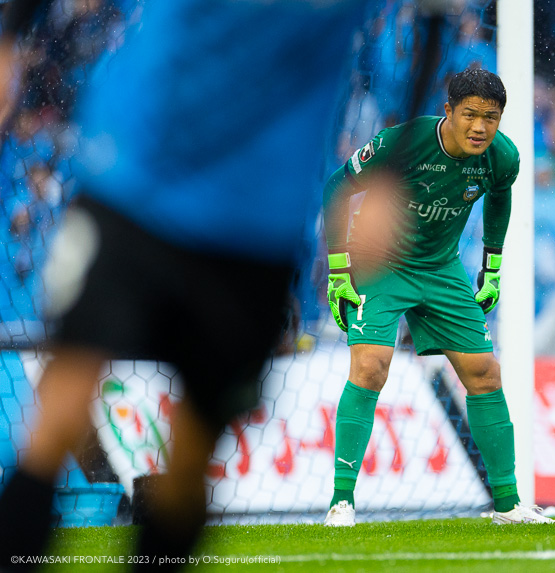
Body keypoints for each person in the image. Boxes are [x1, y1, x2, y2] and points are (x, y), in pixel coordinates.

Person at [0, 0, 368, 569]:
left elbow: (433, 19)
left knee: (188, 466)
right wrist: (10, 36)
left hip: (256, 226)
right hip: (130, 180)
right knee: (58, 412)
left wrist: (391, 173)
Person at [322, 68, 555, 527]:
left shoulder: (502, 157)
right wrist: (338, 271)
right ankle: (341, 503)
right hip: (379, 261)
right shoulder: (402, 143)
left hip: (440, 267)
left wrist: (492, 268)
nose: (480, 127)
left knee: (484, 373)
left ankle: (508, 506)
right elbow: (337, 187)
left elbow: (500, 196)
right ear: (448, 110)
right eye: (470, 114)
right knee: (371, 366)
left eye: (491, 118)